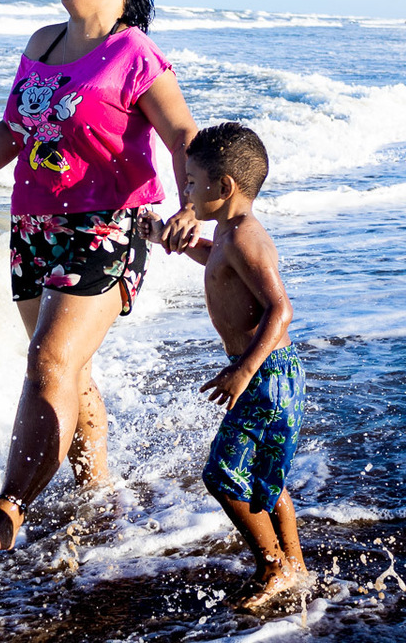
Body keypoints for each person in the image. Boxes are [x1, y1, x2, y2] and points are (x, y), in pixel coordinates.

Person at [0, 0, 199, 551]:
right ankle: (97, 493)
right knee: (69, 367)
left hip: (107, 227)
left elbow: (182, 135)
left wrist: (191, 209)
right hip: (34, 226)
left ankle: (7, 509)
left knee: (49, 361)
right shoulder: (42, 44)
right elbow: (13, 130)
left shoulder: (135, 54)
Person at [141, 122, 307, 612]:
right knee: (263, 476)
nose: (186, 191)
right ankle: (293, 563)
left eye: (191, 183)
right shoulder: (228, 234)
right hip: (269, 371)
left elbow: (281, 310)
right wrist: (163, 237)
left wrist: (243, 371)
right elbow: (215, 259)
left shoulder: (247, 239)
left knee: (221, 475)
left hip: (265, 372)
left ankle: (273, 564)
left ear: (224, 187)